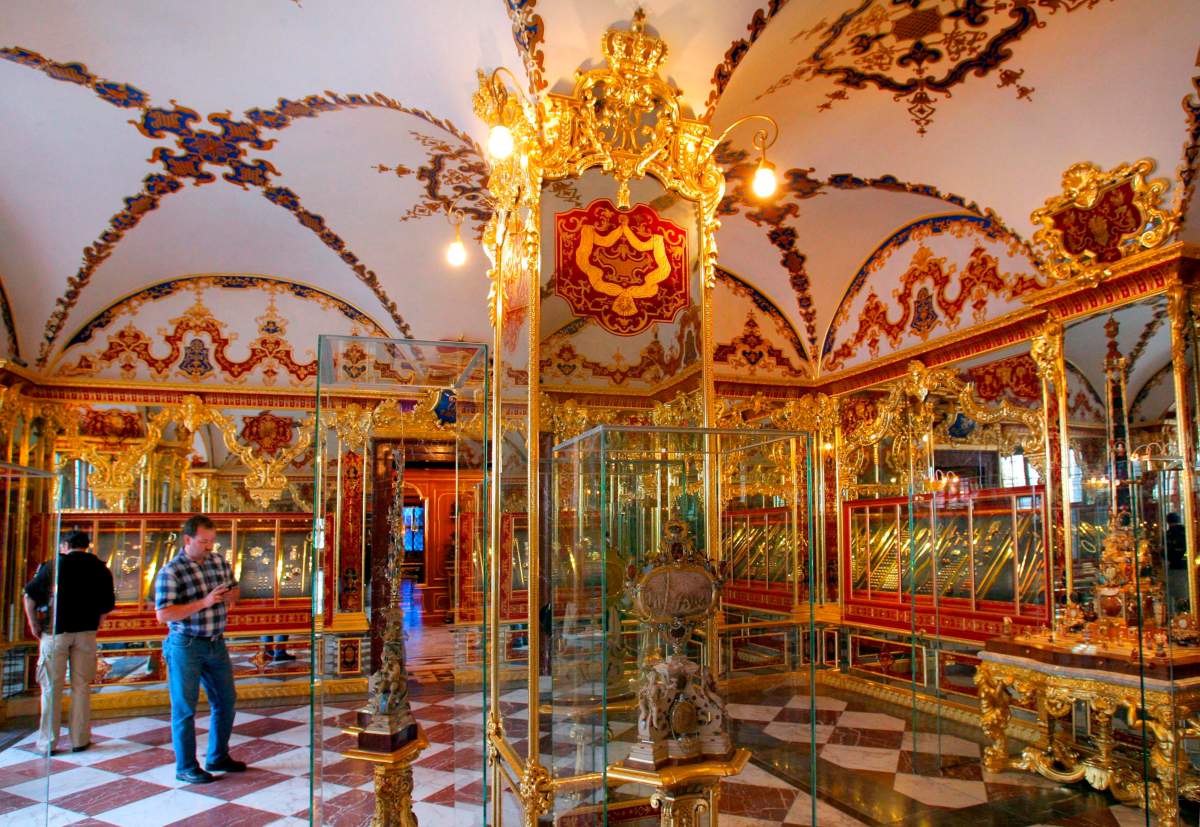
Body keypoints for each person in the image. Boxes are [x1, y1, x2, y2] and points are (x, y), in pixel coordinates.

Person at [155, 515, 247, 784]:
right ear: (187, 540)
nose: (209, 547)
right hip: (186, 644)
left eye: (211, 541)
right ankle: (185, 766)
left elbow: (235, 591)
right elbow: (164, 614)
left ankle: (218, 756)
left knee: (226, 701)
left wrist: (231, 596)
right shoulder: (171, 572)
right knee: (184, 707)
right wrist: (205, 602)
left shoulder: (218, 561)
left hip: (215, 642)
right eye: (203, 541)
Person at [22, 530, 115, 755]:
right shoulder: (100, 568)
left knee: (50, 688)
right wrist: (95, 625)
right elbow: (107, 605)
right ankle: (79, 740)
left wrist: (33, 623)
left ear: (64, 545)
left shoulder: (54, 565)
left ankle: (47, 743)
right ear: (87, 546)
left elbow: (30, 595)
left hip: (56, 632)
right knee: (81, 687)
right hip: (85, 633)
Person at [1166, 512, 1190, 613]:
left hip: (1174, 567)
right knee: (1185, 590)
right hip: (1185, 566)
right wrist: (1185, 560)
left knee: (1175, 592)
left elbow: (1164, 552)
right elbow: (1189, 551)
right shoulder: (1187, 532)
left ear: (1168, 522)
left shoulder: (1169, 534)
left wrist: (1175, 559)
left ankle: (1178, 614)